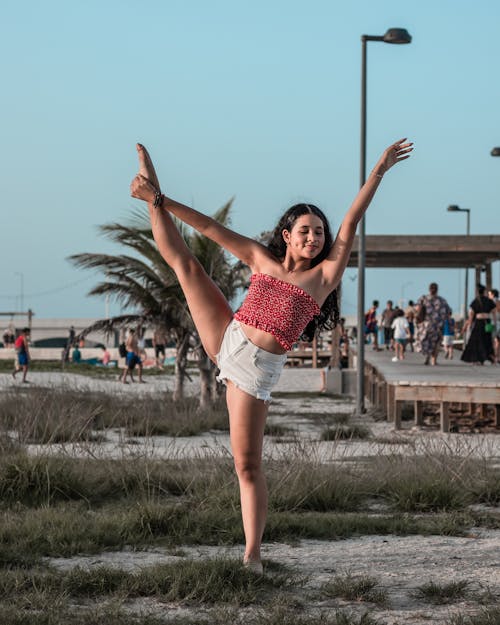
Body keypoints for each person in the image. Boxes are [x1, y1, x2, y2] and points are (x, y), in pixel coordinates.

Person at [130, 138, 412, 573]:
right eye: (306, 231)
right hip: (228, 336)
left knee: (246, 465)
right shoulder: (262, 258)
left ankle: (253, 554)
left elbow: (352, 219)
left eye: (319, 232)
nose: (315, 238)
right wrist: (160, 200)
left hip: (253, 374)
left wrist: (378, 171)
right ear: (287, 236)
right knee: (186, 265)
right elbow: (209, 228)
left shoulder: (324, 277)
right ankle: (151, 194)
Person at [415, 283, 451, 366]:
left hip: (426, 324)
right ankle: (433, 360)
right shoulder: (442, 300)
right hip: (438, 325)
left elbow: (417, 309)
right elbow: (448, 312)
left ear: (429, 289)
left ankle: (427, 358)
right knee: (436, 343)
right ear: (437, 289)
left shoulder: (423, 299)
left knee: (426, 341)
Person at [461, 284, 496, 365]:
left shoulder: (475, 301)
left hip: (478, 323)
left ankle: (478, 359)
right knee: (487, 341)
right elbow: (494, 312)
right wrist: (494, 323)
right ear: (484, 292)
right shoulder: (489, 301)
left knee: (477, 341)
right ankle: (489, 357)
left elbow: (471, 315)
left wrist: (468, 325)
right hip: (487, 322)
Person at [487, 288, 500, 364]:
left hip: (492, 323)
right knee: (498, 341)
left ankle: (493, 358)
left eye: (489, 294)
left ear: (493, 294)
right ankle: (498, 357)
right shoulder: (499, 302)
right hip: (499, 322)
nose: (488, 296)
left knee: (492, 341)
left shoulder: (490, 302)